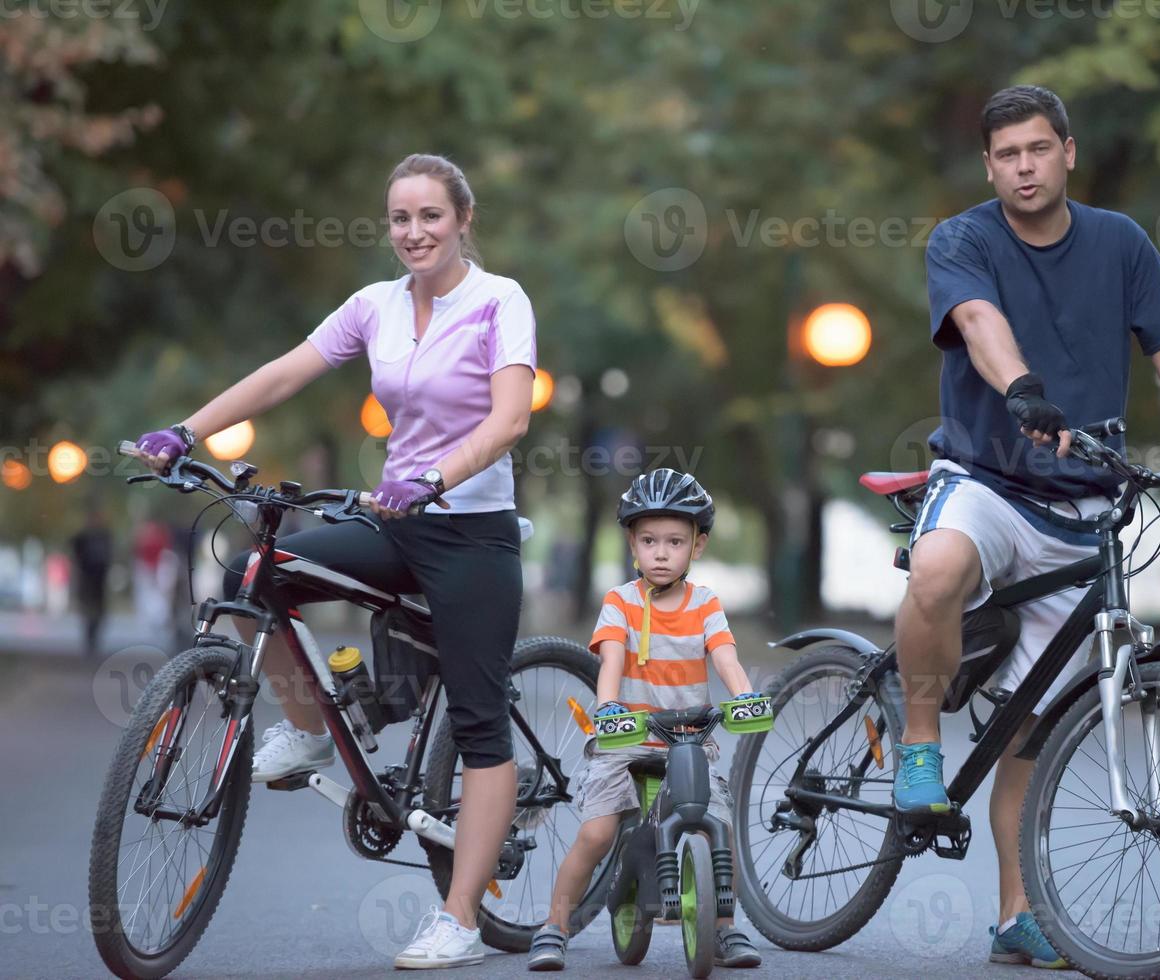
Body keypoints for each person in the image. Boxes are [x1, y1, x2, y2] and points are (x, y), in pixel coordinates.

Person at [132, 152, 536, 970]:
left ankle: (460, 916)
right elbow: (287, 372)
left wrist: (436, 478)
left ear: (462, 220)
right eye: (400, 218)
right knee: (256, 573)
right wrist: (188, 428)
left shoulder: (500, 300)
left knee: (479, 721)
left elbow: (510, 420)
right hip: (394, 520)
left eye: (430, 216)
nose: (413, 232)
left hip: (472, 529)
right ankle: (314, 731)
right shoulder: (374, 306)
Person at [890, 85, 1160, 970]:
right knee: (936, 568)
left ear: (1068, 153)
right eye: (1007, 153)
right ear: (989, 165)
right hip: (985, 476)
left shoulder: (1120, 243)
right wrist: (1020, 390)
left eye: (1038, 149)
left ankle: (1017, 915)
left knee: (1033, 726)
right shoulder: (964, 238)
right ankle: (919, 744)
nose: (1023, 166)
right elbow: (979, 322)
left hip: (1084, 502)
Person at [527, 469, 763, 972]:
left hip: (689, 738)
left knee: (717, 827)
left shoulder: (705, 605)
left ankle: (724, 930)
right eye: (649, 540)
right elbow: (610, 659)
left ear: (696, 547)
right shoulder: (621, 602)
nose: (661, 552)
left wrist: (744, 697)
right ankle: (554, 927)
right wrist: (608, 708)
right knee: (596, 834)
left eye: (675, 542)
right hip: (627, 738)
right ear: (632, 543)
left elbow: (726, 659)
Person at [71, 505, 113, 657]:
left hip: (99, 581)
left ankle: (94, 638)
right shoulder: (82, 537)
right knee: (88, 611)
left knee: (99, 612)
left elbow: (109, 555)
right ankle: (89, 639)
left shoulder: (104, 536)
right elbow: (76, 555)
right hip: (87, 579)